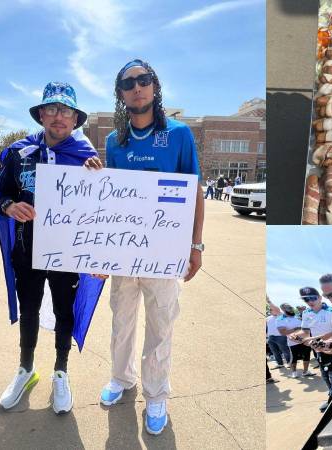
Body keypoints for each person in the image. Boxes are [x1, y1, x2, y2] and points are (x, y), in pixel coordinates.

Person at [85, 59, 204, 435]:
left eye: (143, 79)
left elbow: (194, 190)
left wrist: (196, 245)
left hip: (164, 253)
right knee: (121, 322)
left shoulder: (180, 134)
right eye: (128, 83)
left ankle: (156, 394)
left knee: (160, 326)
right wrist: (94, 176)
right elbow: (111, 199)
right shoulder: (113, 141)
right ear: (120, 94)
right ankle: (121, 378)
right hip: (123, 252)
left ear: (154, 86)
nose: (137, 87)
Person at [0, 82, 102, 414]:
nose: (58, 117)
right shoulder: (17, 153)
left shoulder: (87, 158)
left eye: (65, 110)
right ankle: (26, 369)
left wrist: (98, 179)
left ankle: (61, 372)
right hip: (27, 251)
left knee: (64, 313)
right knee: (29, 311)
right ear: (41, 114)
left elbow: (102, 210)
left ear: (75, 118)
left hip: (67, 252)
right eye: (52, 109)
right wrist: (10, 206)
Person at [289, 287, 332, 412]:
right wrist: (296, 335)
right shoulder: (306, 313)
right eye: (306, 300)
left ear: (320, 297)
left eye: (312, 298)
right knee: (325, 375)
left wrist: (322, 341)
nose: (310, 301)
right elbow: (305, 332)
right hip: (318, 350)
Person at [277, 303, 315, 378]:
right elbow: (282, 332)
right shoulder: (280, 319)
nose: (291, 308)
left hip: (305, 340)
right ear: (283, 309)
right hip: (293, 342)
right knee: (294, 357)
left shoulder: (297, 316)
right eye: (288, 307)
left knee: (307, 355)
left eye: (291, 307)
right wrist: (296, 329)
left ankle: (305, 371)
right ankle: (294, 372)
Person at [266, 303, 290, 368]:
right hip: (271, 337)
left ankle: (289, 362)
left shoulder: (281, 315)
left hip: (281, 336)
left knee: (285, 350)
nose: (271, 310)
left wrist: (268, 301)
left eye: (272, 309)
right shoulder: (268, 318)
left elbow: (276, 308)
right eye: (270, 310)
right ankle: (280, 363)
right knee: (274, 351)